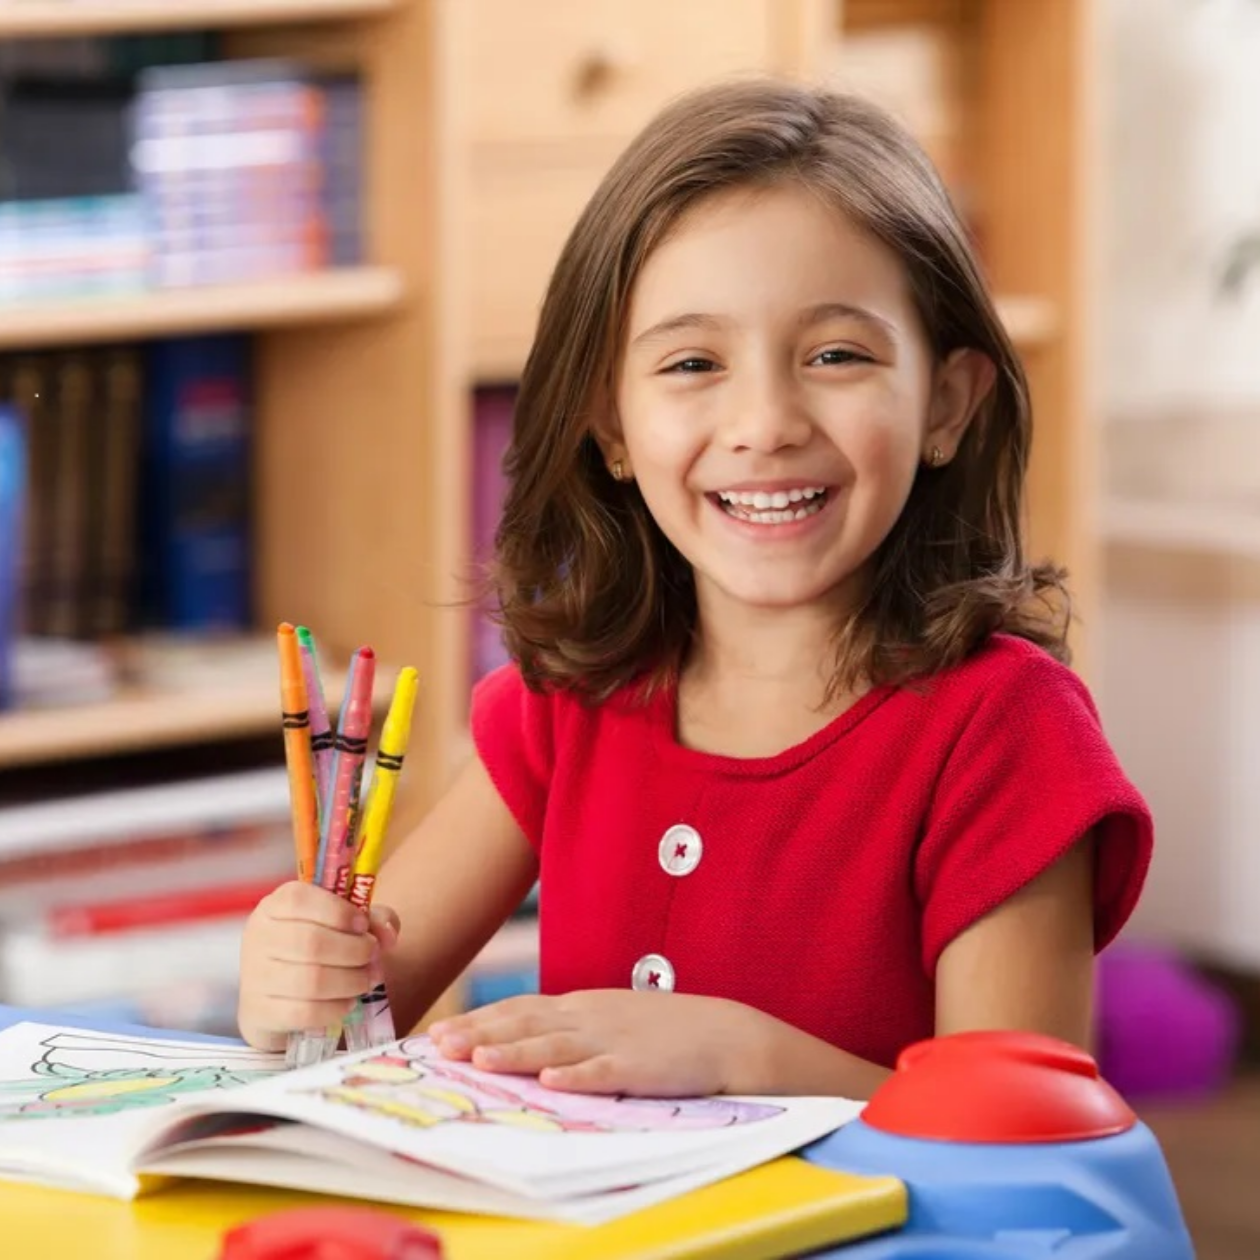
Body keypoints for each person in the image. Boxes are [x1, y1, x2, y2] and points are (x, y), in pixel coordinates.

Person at [238, 79, 1153, 1100]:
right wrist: (294, 985)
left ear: (945, 402)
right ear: (613, 425)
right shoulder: (569, 701)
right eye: (692, 362)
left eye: (836, 355)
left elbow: (1022, 1127)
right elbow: (360, 1014)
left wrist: (744, 1060)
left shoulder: (1008, 733)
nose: (765, 422)